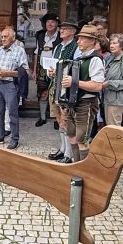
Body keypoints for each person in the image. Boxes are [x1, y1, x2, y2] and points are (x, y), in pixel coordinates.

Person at [59, 24, 106, 161]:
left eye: (82, 39)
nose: (78, 41)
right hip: (74, 103)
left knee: (82, 139)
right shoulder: (80, 58)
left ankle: (84, 172)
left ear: (92, 41)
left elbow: (97, 86)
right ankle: (76, 167)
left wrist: (74, 82)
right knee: (72, 135)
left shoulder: (95, 59)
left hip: (86, 103)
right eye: (78, 38)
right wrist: (56, 73)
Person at [0, 27, 28, 150]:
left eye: (5, 37)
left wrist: (8, 73)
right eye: (2, 37)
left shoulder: (19, 51)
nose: (3, 39)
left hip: (10, 85)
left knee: (12, 113)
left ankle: (14, 138)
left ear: (13, 38)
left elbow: (25, 71)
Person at [47, 18, 79, 162]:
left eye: (65, 29)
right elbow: (53, 65)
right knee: (59, 119)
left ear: (73, 32)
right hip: (55, 86)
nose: (61, 31)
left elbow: (76, 68)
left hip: (66, 88)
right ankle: (62, 149)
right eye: (61, 29)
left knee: (66, 120)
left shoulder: (76, 48)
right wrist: (51, 72)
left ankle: (69, 154)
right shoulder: (58, 46)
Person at [34, 12, 60, 126]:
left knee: (56, 93)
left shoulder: (60, 36)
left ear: (57, 24)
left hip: (56, 69)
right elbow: (36, 54)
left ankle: (57, 119)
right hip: (41, 70)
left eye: (52, 22)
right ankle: (43, 117)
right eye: (48, 22)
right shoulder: (40, 35)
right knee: (42, 93)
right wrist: (34, 70)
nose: (50, 24)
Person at [103, 34, 123, 128]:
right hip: (108, 97)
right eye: (111, 43)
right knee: (109, 127)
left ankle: (116, 143)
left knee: (114, 128)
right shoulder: (111, 57)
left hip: (117, 99)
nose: (111, 45)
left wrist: (109, 83)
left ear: (121, 45)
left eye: (115, 43)